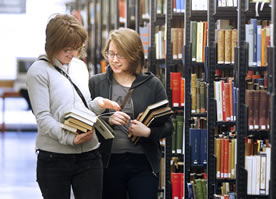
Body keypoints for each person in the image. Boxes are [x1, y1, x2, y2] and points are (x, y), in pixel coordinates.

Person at [26, 14, 121, 199]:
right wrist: (70, 138)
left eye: (77, 48)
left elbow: (81, 110)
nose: (72, 54)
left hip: (90, 155)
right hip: (54, 158)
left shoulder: (79, 66)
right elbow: (43, 117)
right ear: (52, 44)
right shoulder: (38, 72)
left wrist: (98, 104)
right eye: (67, 49)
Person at [89, 28, 174, 199]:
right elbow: (85, 121)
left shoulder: (152, 84)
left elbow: (168, 126)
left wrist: (148, 132)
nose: (114, 60)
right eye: (110, 53)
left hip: (143, 164)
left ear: (134, 55)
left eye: (120, 55)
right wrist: (108, 120)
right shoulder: (96, 83)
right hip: (107, 163)